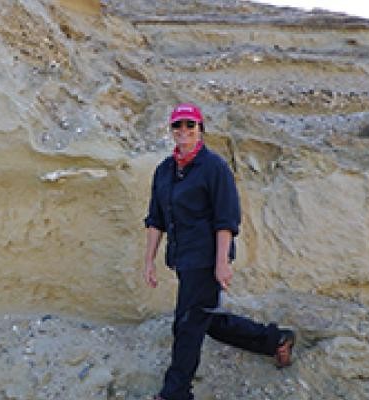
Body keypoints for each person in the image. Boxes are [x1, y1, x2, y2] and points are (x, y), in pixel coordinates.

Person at [143, 103, 295, 400]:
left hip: (205, 256)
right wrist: (148, 260)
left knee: (187, 323)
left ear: (201, 130)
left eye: (190, 125)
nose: (183, 131)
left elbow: (226, 218)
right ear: (171, 130)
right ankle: (275, 339)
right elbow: (155, 219)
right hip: (182, 258)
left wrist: (221, 262)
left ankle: (175, 393)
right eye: (178, 125)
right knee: (207, 320)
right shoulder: (164, 171)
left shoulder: (214, 167)